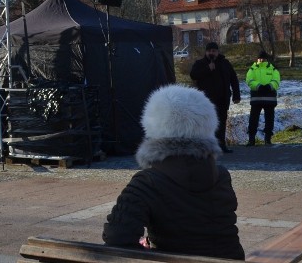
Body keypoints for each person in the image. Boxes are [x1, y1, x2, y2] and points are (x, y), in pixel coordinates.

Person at [102, 84, 245, 260]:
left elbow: (117, 240)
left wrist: (150, 253)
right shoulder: (221, 175)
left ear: (154, 125)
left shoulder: (146, 183)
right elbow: (207, 230)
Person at [189, 42, 240, 153]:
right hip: (206, 101)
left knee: (221, 122)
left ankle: (221, 145)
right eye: (209, 51)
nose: (212, 53)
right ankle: (208, 147)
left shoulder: (225, 63)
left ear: (218, 52)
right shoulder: (200, 63)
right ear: (206, 52)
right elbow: (193, 75)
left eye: (214, 51)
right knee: (207, 124)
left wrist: (237, 95)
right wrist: (208, 69)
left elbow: (234, 79)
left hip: (223, 99)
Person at [245, 50, 280, 146]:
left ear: (266, 59)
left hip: (269, 99)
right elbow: (249, 80)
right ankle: (251, 139)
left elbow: (276, 80)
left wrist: (270, 86)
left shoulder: (273, 69)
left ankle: (267, 139)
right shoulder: (252, 69)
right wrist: (258, 86)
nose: (261, 60)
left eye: (263, 58)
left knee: (269, 120)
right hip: (257, 98)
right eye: (260, 58)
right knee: (253, 120)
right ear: (257, 59)